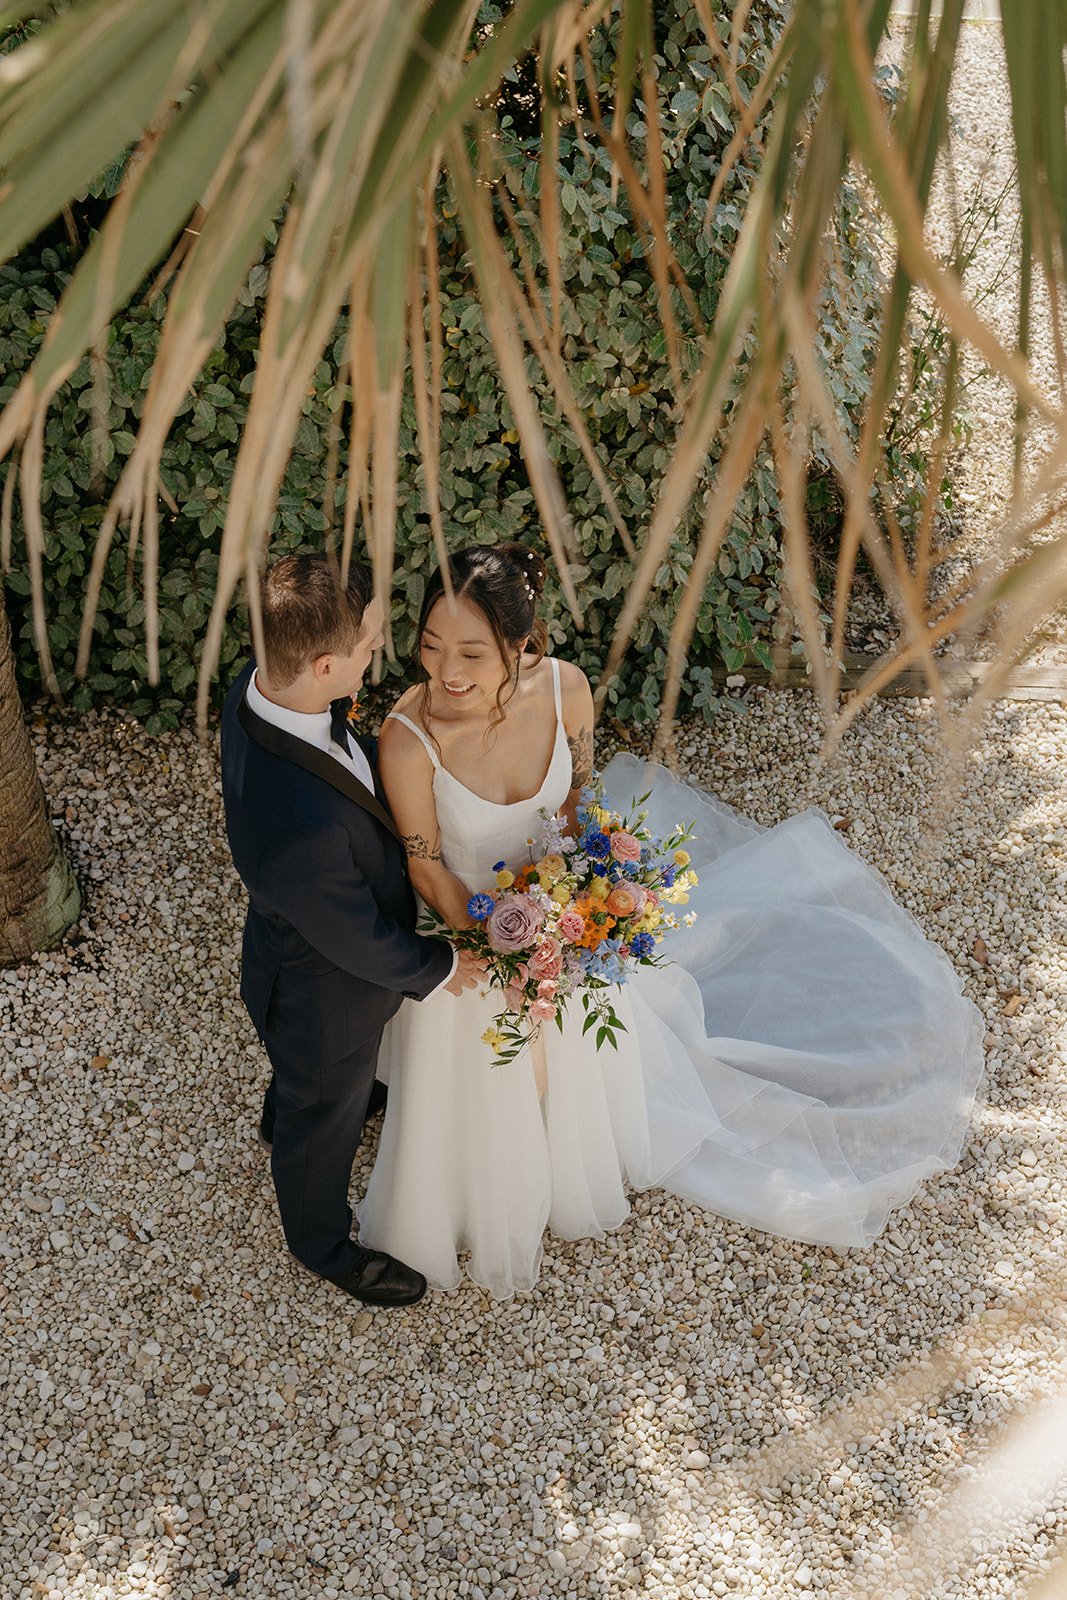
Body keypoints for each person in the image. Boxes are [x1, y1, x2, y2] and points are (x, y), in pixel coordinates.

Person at [357, 543, 985, 1300]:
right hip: (468, 934)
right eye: (429, 646)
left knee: (595, 1034)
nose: (446, 672)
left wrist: (580, 905)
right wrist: (503, 953)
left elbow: (573, 809)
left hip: (565, 914)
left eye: (470, 652)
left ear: (523, 646)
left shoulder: (566, 692)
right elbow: (425, 866)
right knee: (493, 1051)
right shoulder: (407, 736)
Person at [220, 554, 482, 1308]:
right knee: (321, 1113)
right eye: (369, 647)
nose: (380, 652)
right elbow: (358, 939)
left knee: (307, 1090)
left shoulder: (260, 684)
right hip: (324, 997)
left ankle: (283, 1111)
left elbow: (341, 772)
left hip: (288, 948)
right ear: (327, 663)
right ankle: (322, 1244)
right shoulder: (296, 830)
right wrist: (438, 967)